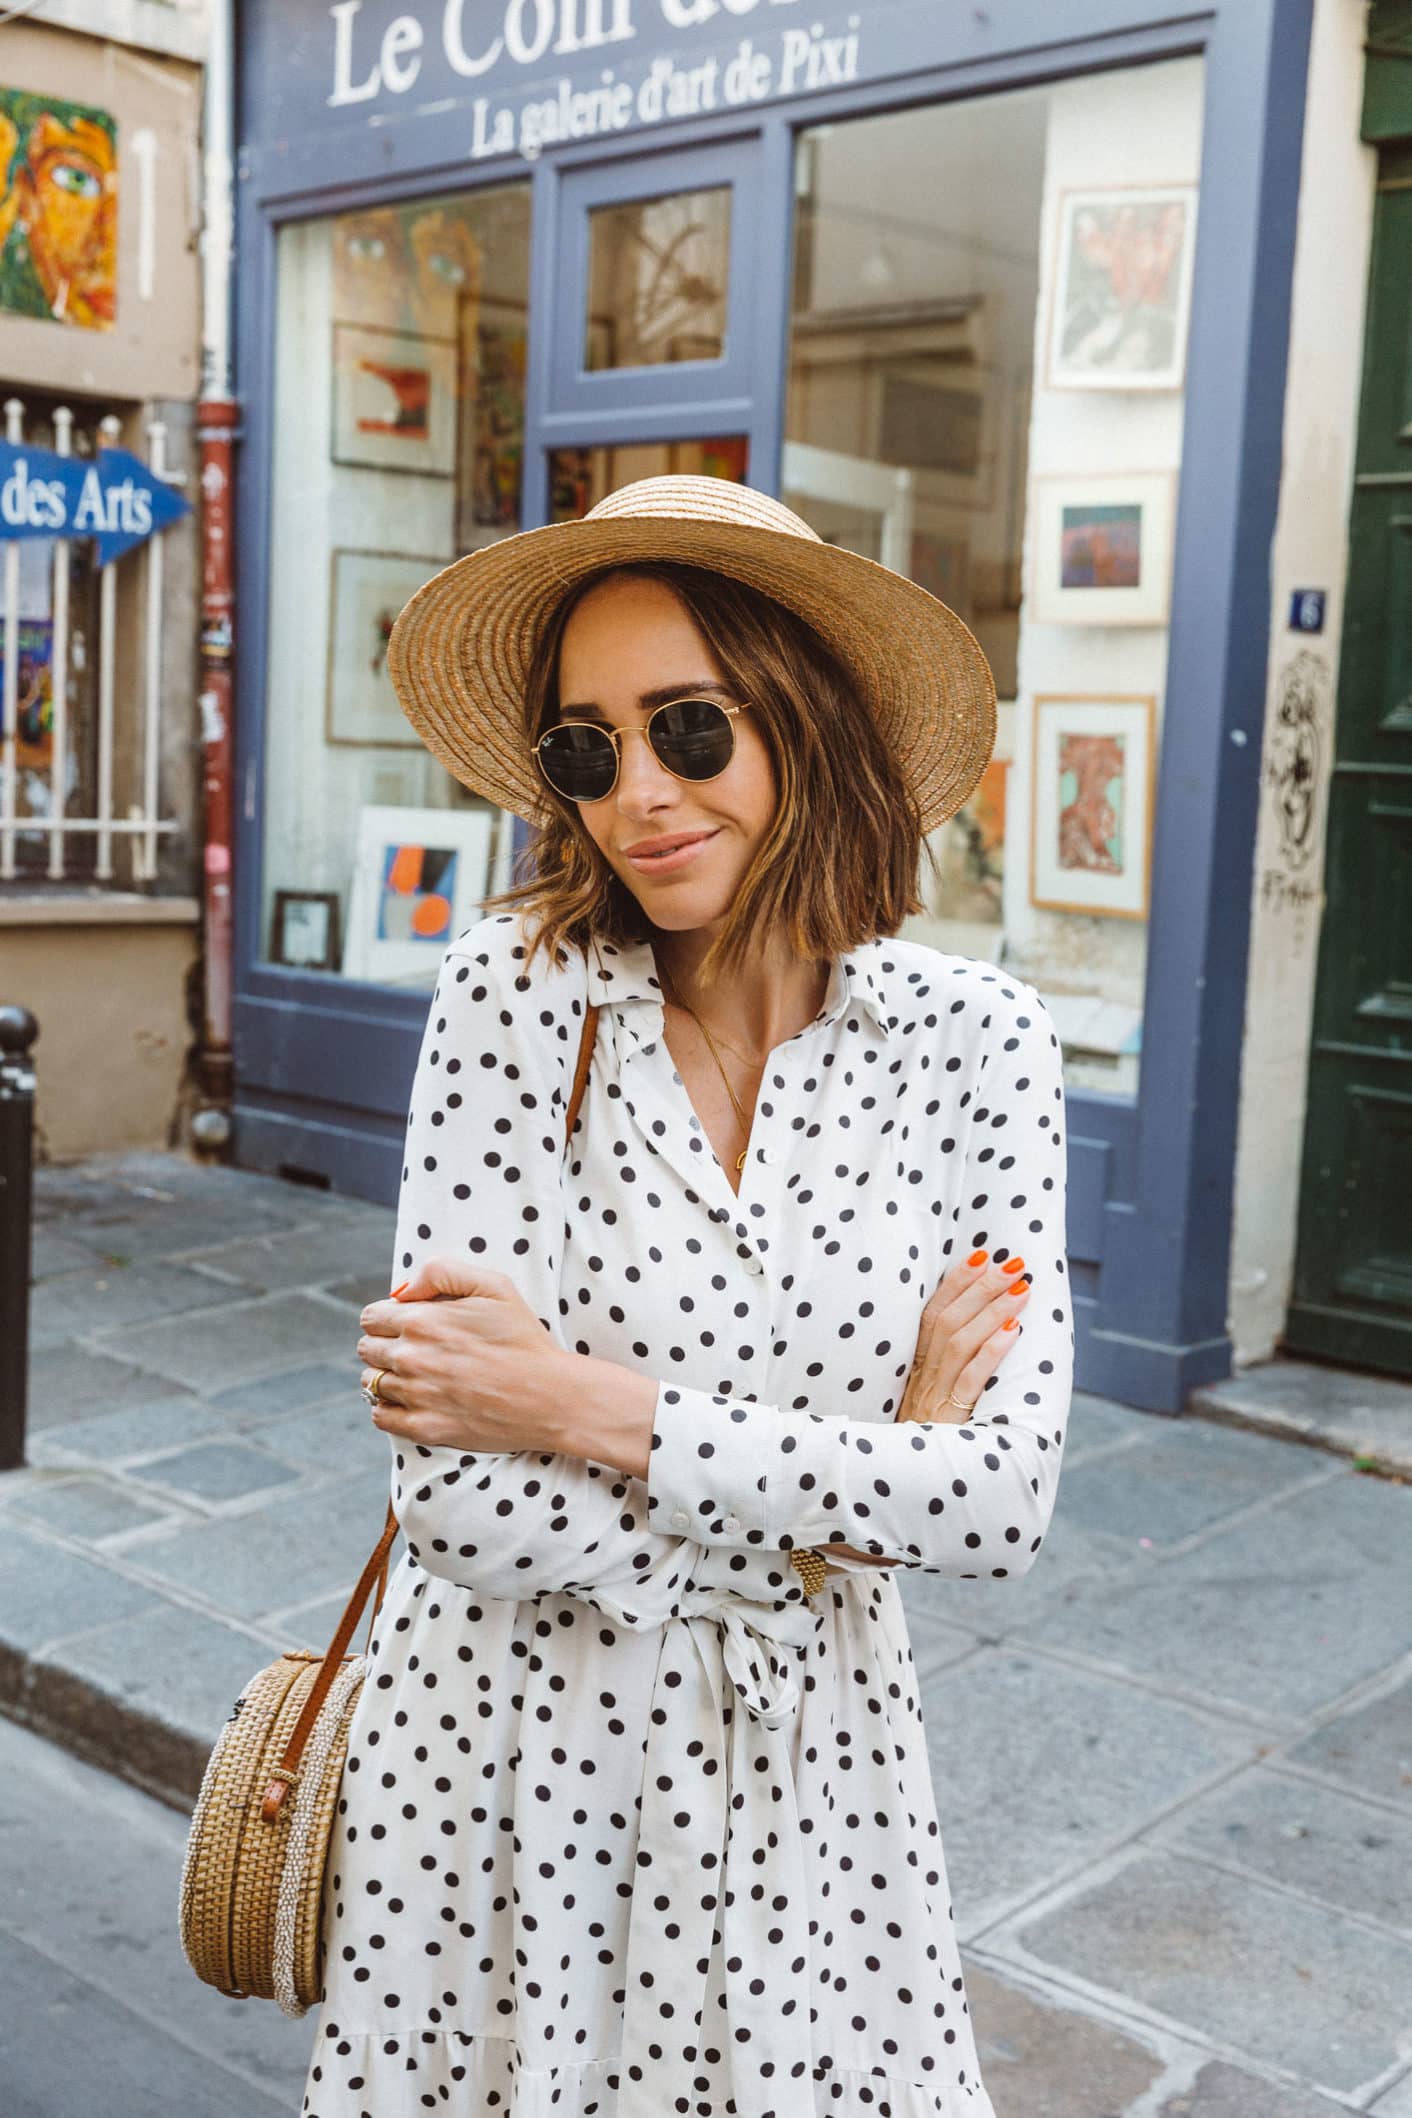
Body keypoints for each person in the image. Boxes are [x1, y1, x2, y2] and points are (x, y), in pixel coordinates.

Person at [308, 476, 1075, 2118]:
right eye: (587, 749)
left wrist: (581, 1407)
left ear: (805, 719)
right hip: (512, 1766)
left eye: (690, 729)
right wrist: (836, 1512)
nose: (639, 792)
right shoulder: (512, 994)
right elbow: (451, 1493)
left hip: (817, 1785)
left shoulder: (975, 1046)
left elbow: (1000, 1500)